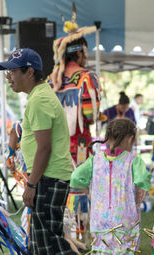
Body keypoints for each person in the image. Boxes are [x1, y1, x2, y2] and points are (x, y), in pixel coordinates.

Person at [0, 48, 93, 255]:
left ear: (29, 72)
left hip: (49, 177)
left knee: (50, 234)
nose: (9, 77)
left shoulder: (40, 100)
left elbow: (44, 148)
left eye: (13, 71)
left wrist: (31, 184)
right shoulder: (39, 97)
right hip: (48, 176)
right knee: (41, 234)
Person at [70, 118, 151, 255]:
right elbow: (143, 179)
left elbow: (76, 177)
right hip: (126, 216)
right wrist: (142, 189)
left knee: (102, 253)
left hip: (100, 217)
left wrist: (88, 188)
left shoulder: (95, 159)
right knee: (126, 253)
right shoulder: (133, 161)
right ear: (130, 138)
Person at [51, 17, 102, 166]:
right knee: (78, 186)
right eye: (85, 55)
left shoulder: (51, 79)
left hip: (53, 147)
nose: (86, 59)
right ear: (79, 53)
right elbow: (90, 114)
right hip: (79, 144)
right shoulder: (86, 77)